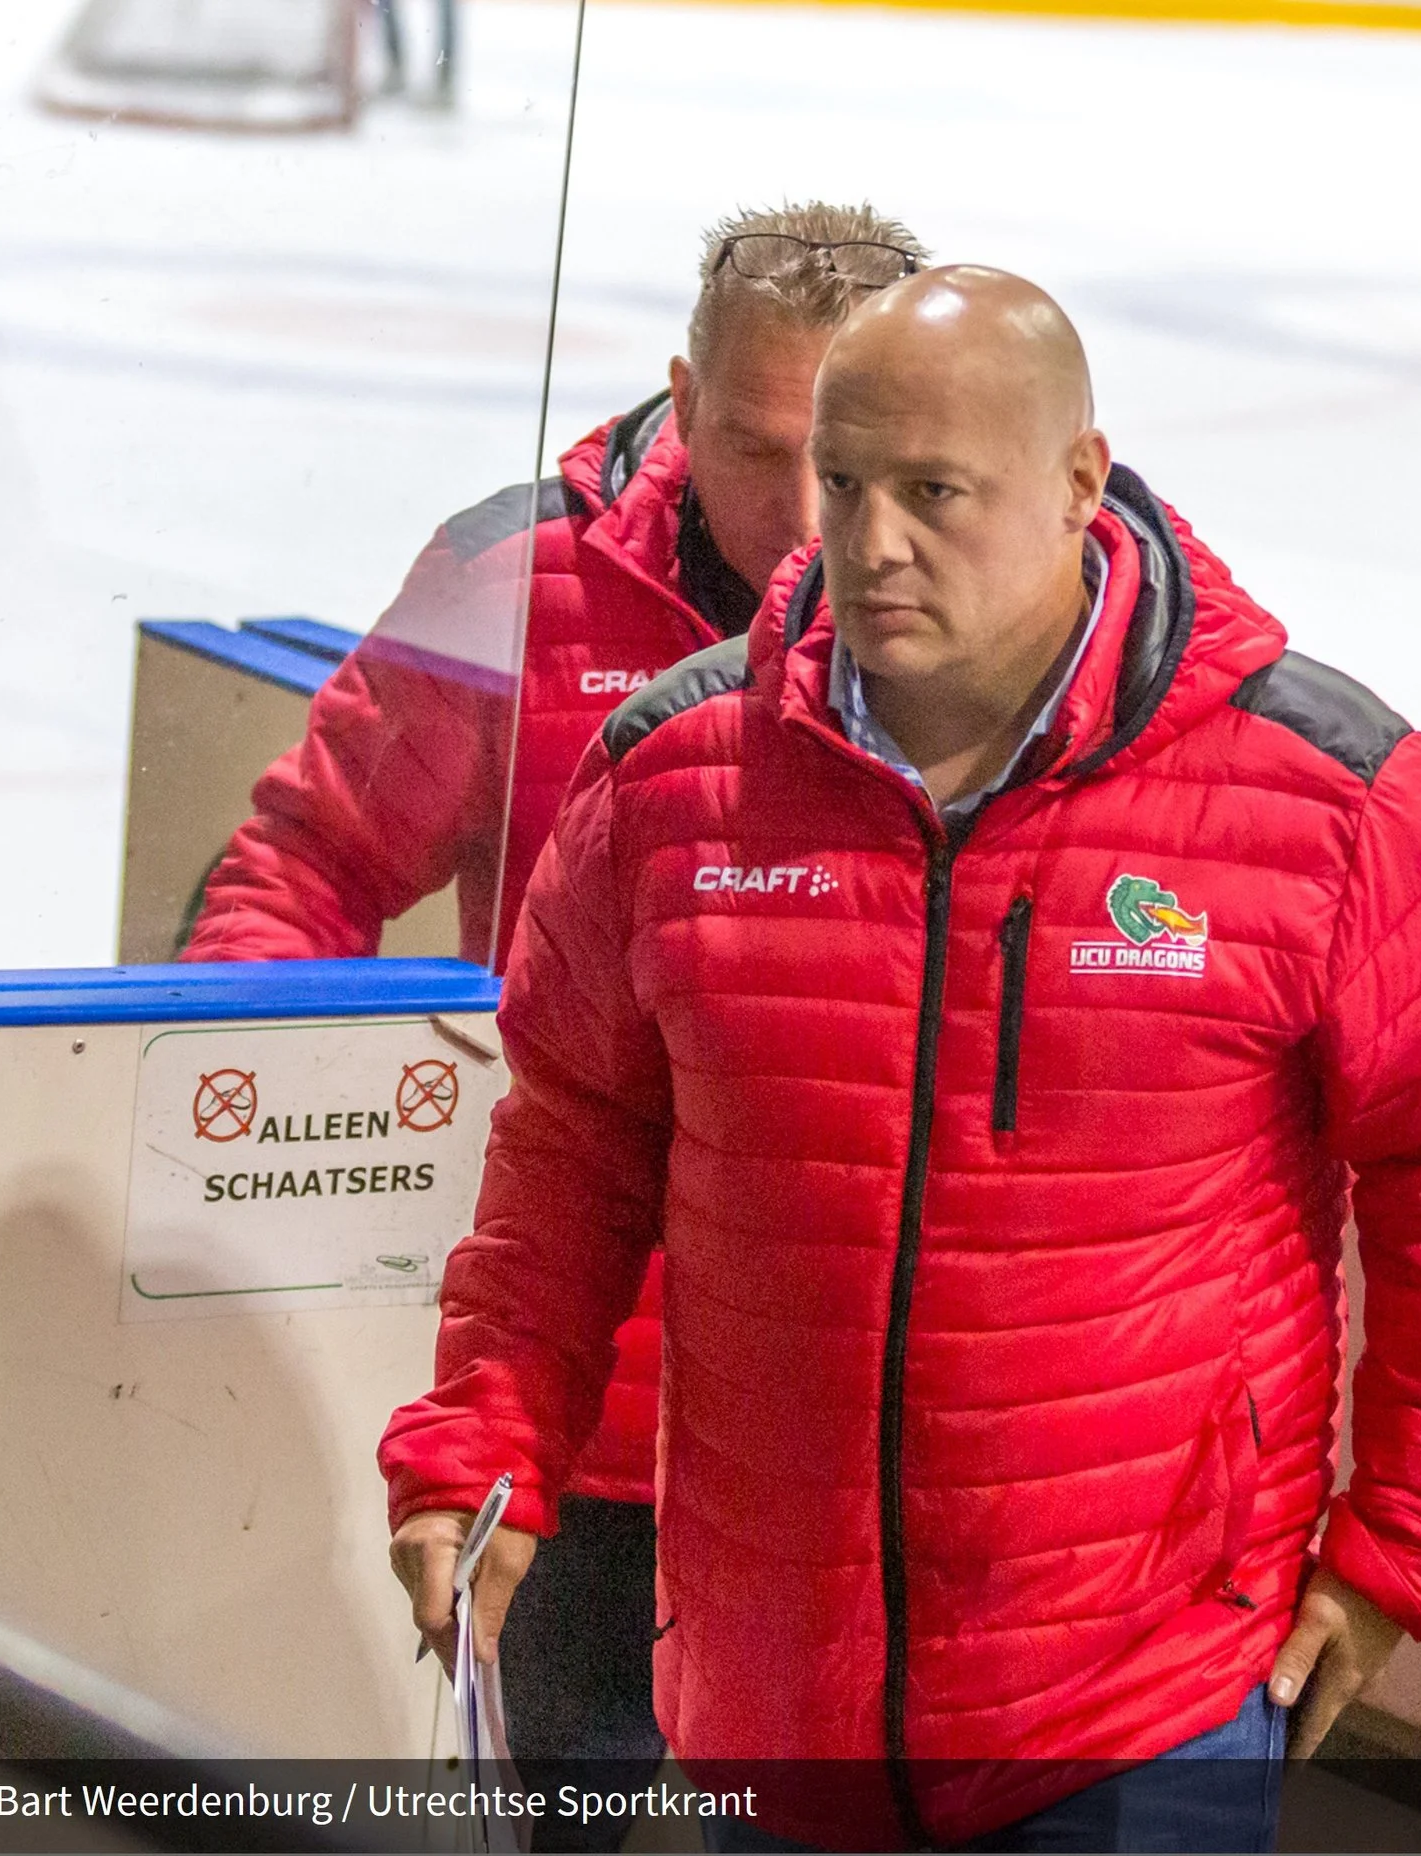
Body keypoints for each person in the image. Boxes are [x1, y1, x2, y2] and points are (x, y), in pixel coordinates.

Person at [380, 266, 1421, 1853]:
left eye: (934, 491)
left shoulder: (1324, 792)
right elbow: (573, 1150)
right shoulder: (675, 778)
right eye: (845, 481)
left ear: (1080, 480)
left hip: (1137, 1715)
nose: (871, 543)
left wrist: (1403, 1545)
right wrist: (487, 1435)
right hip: (771, 1703)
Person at [189, 202, 926, 1842]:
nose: (809, 518)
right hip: (577, 1420)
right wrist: (294, 1165)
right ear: (679, 392)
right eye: (752, 444)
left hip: (848, 1444)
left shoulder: (986, 628)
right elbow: (304, 866)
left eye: (854, 459)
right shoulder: (514, 581)